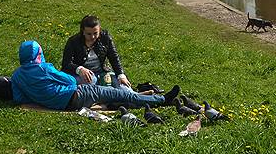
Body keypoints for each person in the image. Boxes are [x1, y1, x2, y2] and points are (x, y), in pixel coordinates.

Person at [11, 40, 179, 110]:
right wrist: (72, 87)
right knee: (118, 93)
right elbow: (69, 79)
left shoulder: (17, 75)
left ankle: (124, 103)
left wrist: (41, 97)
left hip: (63, 105)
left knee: (113, 97)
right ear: (38, 54)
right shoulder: (44, 69)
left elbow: (19, 99)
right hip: (78, 94)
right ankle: (163, 100)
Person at [62, 15, 132, 91]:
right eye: (89, 34)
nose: (92, 37)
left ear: (100, 29)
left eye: (95, 33)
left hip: (102, 72)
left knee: (124, 87)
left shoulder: (105, 37)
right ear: (83, 31)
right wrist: (79, 69)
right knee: (92, 84)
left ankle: (141, 97)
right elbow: (66, 63)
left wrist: (121, 75)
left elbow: (114, 57)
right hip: (82, 76)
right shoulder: (73, 41)